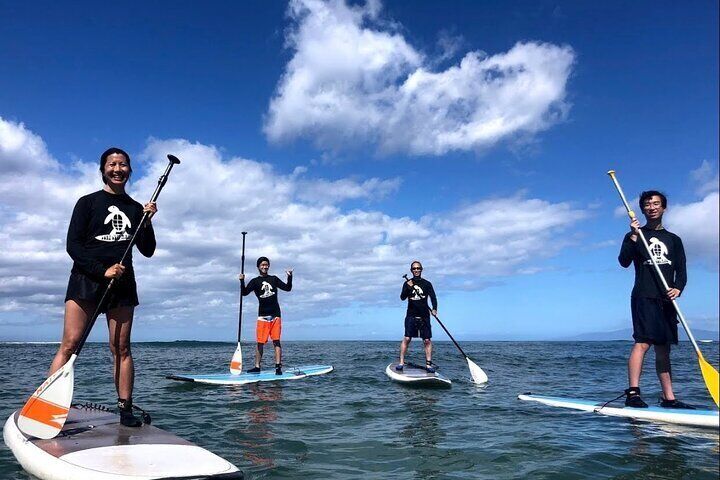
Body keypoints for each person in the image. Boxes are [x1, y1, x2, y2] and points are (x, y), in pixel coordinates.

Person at [48, 147, 158, 427]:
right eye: (112, 164)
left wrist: (147, 222)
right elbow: (72, 245)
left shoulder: (135, 208)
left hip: (122, 283)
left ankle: (125, 409)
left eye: (123, 164)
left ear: (130, 171)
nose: (117, 169)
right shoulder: (87, 203)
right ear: (103, 170)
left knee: (121, 347)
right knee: (70, 344)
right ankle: (48, 406)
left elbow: (148, 250)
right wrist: (101, 270)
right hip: (86, 279)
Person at [618, 190, 693, 409]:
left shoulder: (674, 240)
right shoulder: (636, 235)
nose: (652, 207)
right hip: (644, 295)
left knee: (663, 348)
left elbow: (682, 270)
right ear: (642, 209)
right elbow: (623, 261)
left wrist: (678, 288)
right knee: (642, 343)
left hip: (667, 299)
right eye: (647, 204)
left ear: (664, 207)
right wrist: (633, 236)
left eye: (656, 203)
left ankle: (668, 398)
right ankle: (633, 393)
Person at [239, 257, 292, 374]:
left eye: (266, 264)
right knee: (260, 342)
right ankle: (257, 367)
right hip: (262, 316)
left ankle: (278, 367)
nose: (265, 266)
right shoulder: (254, 281)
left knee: (276, 341)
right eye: (262, 265)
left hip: (275, 315)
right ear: (258, 267)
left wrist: (289, 276)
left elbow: (288, 288)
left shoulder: (274, 279)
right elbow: (244, 293)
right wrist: (242, 280)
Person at [396, 261, 438, 373]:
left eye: (418, 268)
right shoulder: (407, 283)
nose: (416, 270)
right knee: (407, 338)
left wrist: (434, 309)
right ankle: (401, 362)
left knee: (427, 340)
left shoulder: (427, 284)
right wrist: (408, 288)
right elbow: (402, 297)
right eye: (414, 268)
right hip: (411, 315)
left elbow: (433, 297)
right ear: (411, 270)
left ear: (421, 269)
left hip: (424, 315)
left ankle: (428, 365)